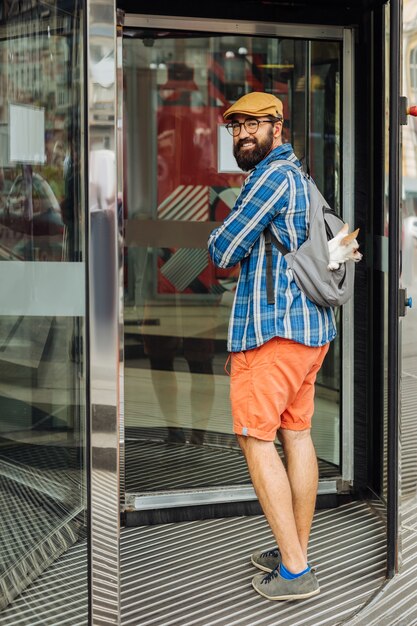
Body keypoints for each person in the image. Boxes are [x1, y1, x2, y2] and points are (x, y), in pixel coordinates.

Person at [208, 92, 336, 601]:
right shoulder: (300, 178)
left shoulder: (269, 178)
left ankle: (295, 570)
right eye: (235, 126)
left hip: (275, 334)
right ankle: (294, 549)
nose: (242, 133)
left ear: (277, 129)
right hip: (308, 333)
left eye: (253, 125)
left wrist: (220, 227)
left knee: (255, 440)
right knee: (297, 436)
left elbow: (225, 248)